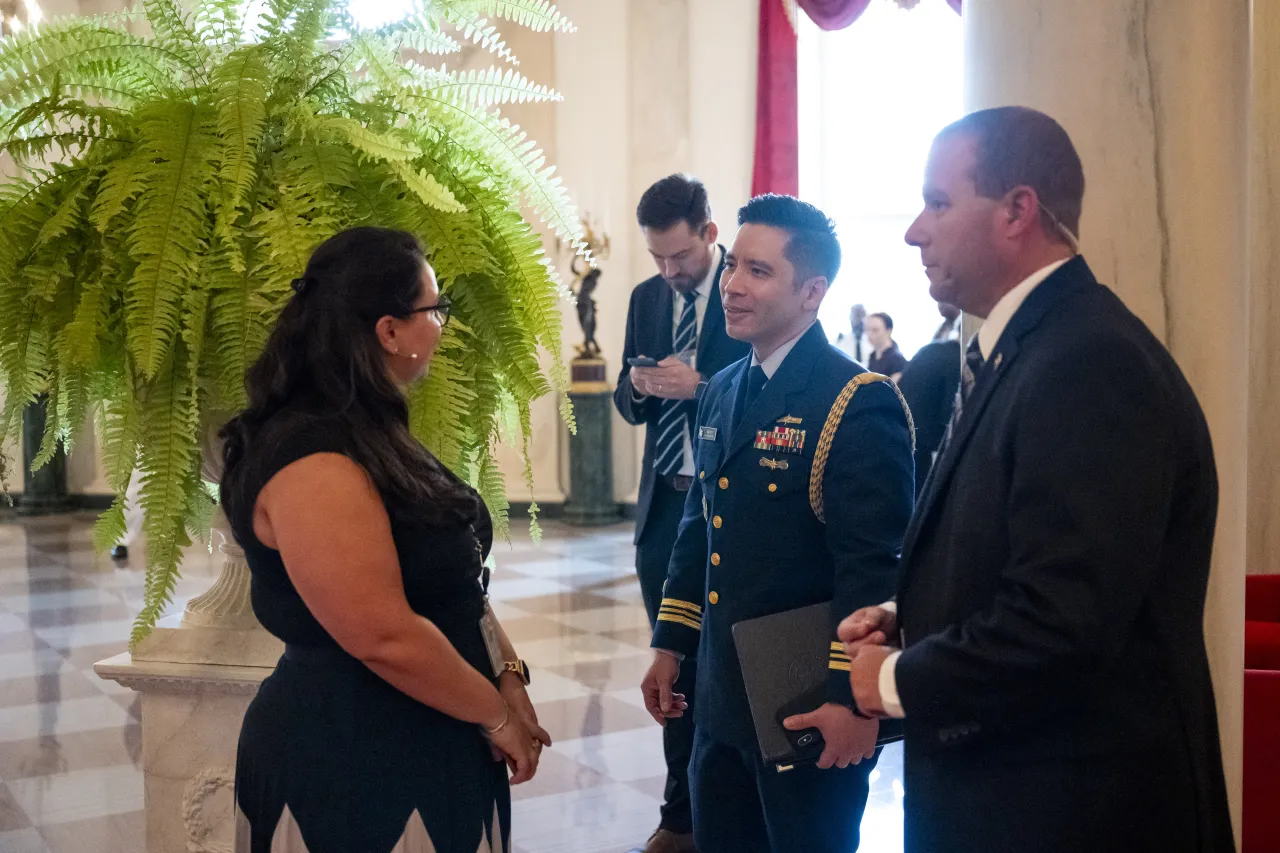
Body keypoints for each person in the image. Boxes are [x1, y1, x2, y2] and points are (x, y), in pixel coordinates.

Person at [840, 107, 1235, 853]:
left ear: (1018, 209)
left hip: (1074, 811)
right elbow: (1021, 547)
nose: (914, 230)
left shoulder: (1088, 362)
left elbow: (1062, 621)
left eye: (938, 201)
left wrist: (896, 680)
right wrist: (915, 613)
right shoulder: (1033, 347)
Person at [219, 227, 550, 853]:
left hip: (437, 728)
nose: (443, 326)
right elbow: (382, 634)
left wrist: (506, 674)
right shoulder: (311, 456)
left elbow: (453, 575)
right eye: (434, 309)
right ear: (388, 331)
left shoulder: (368, 426)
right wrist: (496, 714)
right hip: (353, 757)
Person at [641, 195, 914, 853]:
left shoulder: (855, 401)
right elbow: (698, 527)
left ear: (812, 291)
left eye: (758, 272)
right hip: (720, 698)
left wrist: (853, 700)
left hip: (806, 696)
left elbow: (873, 571)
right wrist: (670, 641)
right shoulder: (722, 387)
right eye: (733, 265)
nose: (732, 285)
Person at [614, 174, 748, 853]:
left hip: (724, 501)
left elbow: (758, 384)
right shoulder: (646, 298)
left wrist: (699, 386)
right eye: (658, 258)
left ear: (709, 234)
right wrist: (639, 386)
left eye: (681, 257)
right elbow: (623, 393)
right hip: (665, 502)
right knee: (669, 667)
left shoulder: (745, 291)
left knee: (719, 665)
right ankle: (680, 812)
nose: (669, 272)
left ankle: (717, 806)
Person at [897, 303, 961, 496]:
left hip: (898, 430)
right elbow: (949, 411)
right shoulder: (955, 358)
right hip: (920, 440)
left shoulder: (931, 349)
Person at [864, 312, 907, 382]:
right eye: (867, 329)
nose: (869, 334)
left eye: (875, 330)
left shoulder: (897, 360)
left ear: (889, 331)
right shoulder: (872, 356)